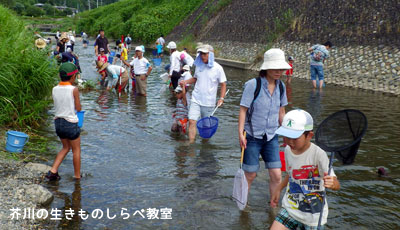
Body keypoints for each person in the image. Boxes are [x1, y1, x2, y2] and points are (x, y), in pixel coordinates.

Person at [270, 109, 340, 230]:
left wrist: (332, 183)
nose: (289, 141)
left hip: (313, 217)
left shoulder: (319, 155)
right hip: (290, 209)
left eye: (294, 138)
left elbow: (336, 183)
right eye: (286, 137)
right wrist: (279, 188)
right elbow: (291, 174)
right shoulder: (287, 150)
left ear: (309, 136)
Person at [238, 48, 291, 207]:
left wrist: (287, 135)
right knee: (250, 174)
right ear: (266, 68)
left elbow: (281, 112)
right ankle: (243, 205)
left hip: (271, 137)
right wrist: (240, 133)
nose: (278, 71)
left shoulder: (281, 87)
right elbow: (243, 109)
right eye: (275, 68)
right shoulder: (253, 85)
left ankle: (273, 206)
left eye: (281, 68)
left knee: (276, 175)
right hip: (252, 137)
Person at [180, 44, 227, 143]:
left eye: (205, 54)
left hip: (208, 102)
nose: (202, 56)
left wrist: (221, 98)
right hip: (196, 99)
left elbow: (223, 84)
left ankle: (205, 144)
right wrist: (185, 82)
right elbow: (195, 78)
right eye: (201, 54)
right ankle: (191, 144)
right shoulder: (199, 66)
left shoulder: (218, 68)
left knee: (206, 127)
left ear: (211, 55)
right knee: (192, 121)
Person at [46, 62, 82, 181]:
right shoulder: (74, 89)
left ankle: (53, 171)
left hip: (58, 123)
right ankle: (77, 176)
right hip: (70, 123)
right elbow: (78, 108)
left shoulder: (54, 89)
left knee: (65, 147)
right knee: (76, 150)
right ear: (72, 77)